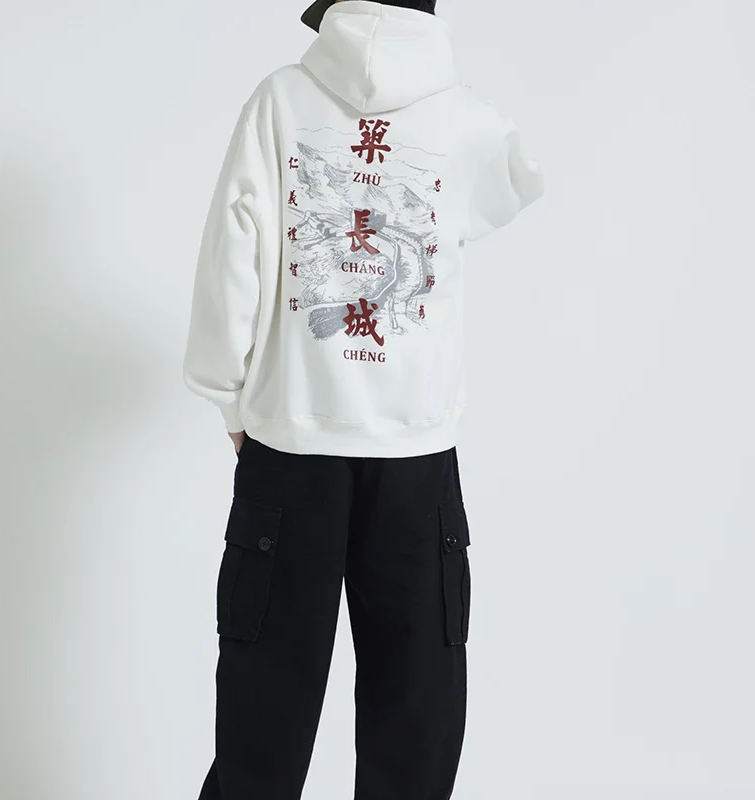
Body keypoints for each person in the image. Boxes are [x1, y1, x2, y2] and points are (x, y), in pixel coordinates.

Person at [184, 1, 544, 797]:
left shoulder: (279, 101)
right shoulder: (465, 117)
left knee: (259, 727)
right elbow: (521, 175)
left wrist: (230, 397)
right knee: (413, 725)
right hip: (415, 454)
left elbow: (231, 247)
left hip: (288, 446)